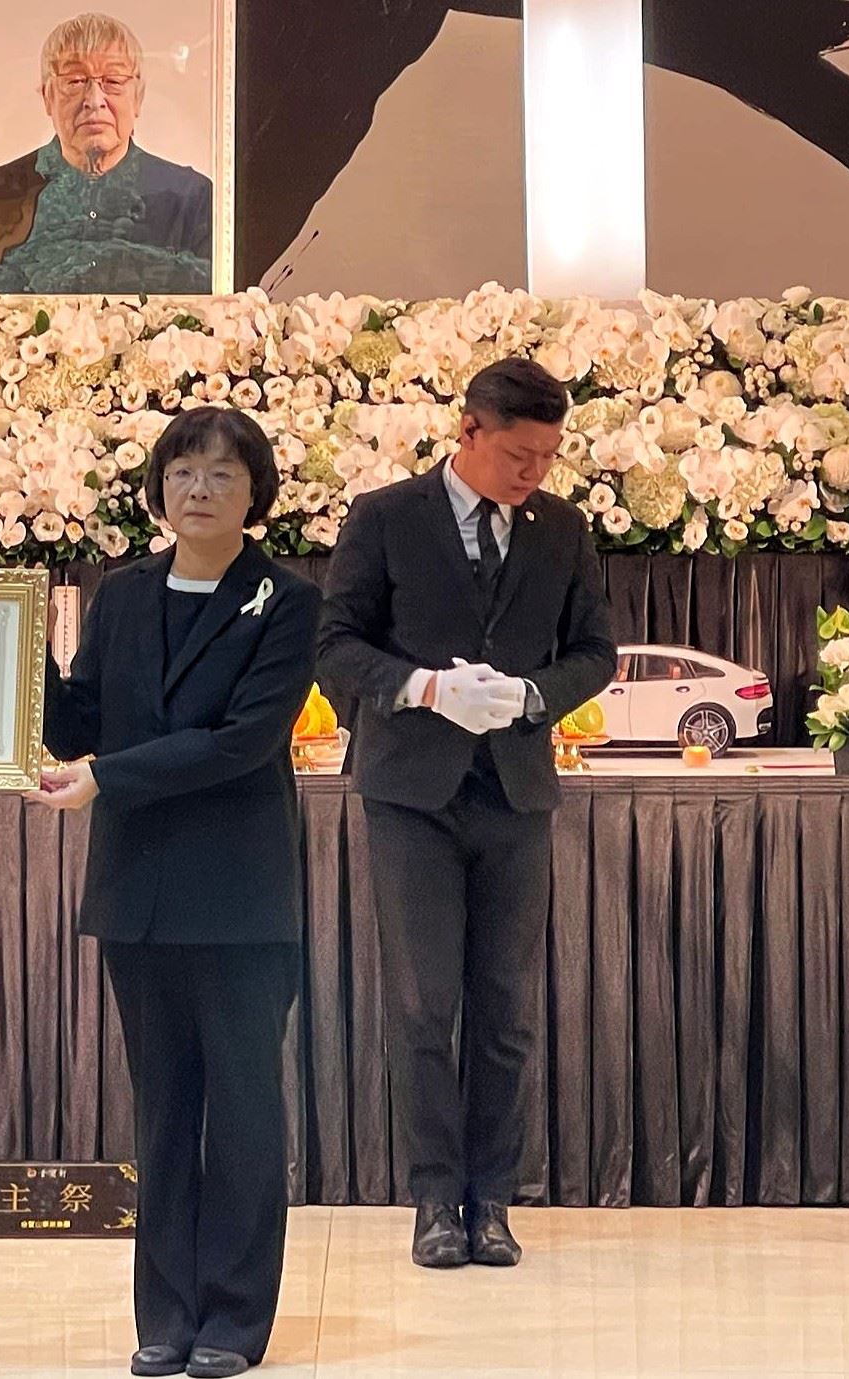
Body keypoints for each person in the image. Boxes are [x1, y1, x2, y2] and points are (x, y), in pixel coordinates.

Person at [30, 408, 320, 1379]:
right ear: (157, 489)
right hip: (138, 893)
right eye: (183, 471)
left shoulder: (286, 601)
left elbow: (242, 741)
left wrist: (107, 777)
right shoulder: (119, 595)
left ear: (255, 493)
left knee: (240, 1114)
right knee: (160, 1113)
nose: (199, 488)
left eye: (222, 474)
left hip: (239, 898)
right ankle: (164, 1315)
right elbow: (80, 719)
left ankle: (233, 1318)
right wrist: (10, 645)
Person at [316, 358, 616, 1270]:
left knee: (506, 1009)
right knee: (421, 1005)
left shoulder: (560, 528)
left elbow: (594, 652)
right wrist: (420, 686)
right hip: (411, 793)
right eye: (519, 455)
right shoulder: (383, 516)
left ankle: (492, 1201)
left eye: (547, 457)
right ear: (468, 431)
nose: (533, 473)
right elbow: (334, 644)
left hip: (514, 791)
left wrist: (531, 695)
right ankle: (433, 1199)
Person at [0, 12, 214, 296]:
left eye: (113, 81)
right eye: (75, 81)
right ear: (47, 97)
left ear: (138, 97)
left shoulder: (191, 199)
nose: (95, 101)